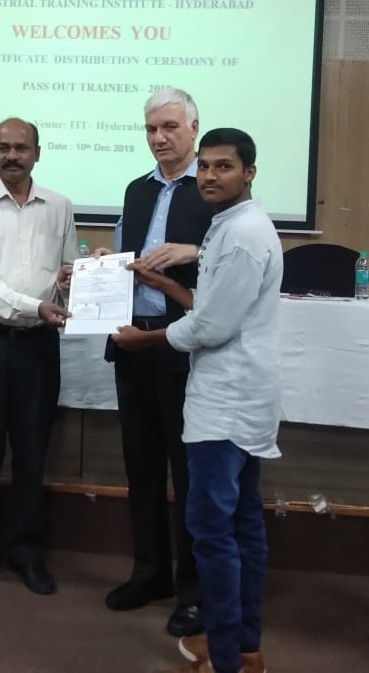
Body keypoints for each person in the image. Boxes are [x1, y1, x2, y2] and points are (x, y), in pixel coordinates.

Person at [120, 128, 281, 673]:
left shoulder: (240, 233)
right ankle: (241, 646)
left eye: (224, 167)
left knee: (214, 532)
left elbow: (209, 326)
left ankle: (230, 659)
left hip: (225, 402)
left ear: (249, 173)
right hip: (231, 395)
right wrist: (162, 286)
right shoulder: (229, 225)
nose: (210, 176)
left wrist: (140, 339)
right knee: (240, 527)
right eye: (206, 167)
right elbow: (207, 305)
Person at [94, 87, 214, 637]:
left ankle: (195, 591)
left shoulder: (213, 189)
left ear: (193, 127)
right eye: (150, 129)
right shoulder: (135, 190)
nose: (159, 138)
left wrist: (196, 252)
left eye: (169, 127)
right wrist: (103, 263)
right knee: (141, 466)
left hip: (185, 343)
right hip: (132, 339)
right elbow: (129, 254)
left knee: (189, 474)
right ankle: (149, 573)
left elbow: (236, 257)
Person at [0, 118, 76, 596]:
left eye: (21, 147)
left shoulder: (61, 206)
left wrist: (77, 280)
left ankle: (27, 552)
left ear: (37, 153)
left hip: (38, 346)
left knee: (31, 452)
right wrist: (38, 305)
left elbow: (67, 269)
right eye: (3, 148)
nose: (12, 155)